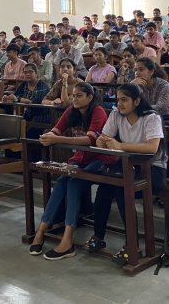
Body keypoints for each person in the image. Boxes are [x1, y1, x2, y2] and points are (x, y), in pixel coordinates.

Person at [28, 83, 114, 260]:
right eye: (73, 95)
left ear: (90, 97)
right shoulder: (72, 110)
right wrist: (48, 136)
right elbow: (56, 129)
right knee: (62, 181)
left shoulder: (98, 111)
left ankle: (67, 241)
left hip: (100, 159)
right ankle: (41, 231)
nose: (74, 99)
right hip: (81, 157)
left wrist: (56, 138)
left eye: (79, 95)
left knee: (74, 181)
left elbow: (91, 139)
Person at [86, 84, 166, 261]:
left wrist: (120, 145)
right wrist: (101, 141)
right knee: (105, 184)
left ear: (136, 101)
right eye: (118, 100)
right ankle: (98, 236)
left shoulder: (151, 118)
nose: (120, 104)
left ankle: (133, 244)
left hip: (152, 169)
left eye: (124, 100)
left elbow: (152, 148)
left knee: (122, 189)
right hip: (128, 166)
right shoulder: (116, 114)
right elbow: (104, 136)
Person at [2, 63, 50, 128]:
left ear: (36, 73)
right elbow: (15, 95)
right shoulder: (24, 84)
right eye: (25, 72)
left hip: (42, 115)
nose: (27, 74)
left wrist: (17, 99)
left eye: (30, 72)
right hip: (29, 114)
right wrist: (7, 98)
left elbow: (33, 101)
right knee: (14, 127)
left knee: (27, 131)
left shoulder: (42, 86)